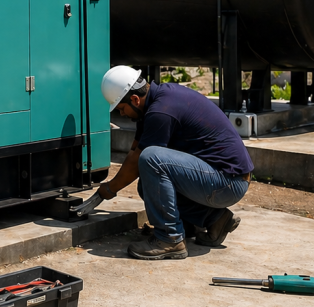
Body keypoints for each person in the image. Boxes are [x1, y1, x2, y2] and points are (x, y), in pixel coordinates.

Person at [97, 66, 253, 260]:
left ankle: (169, 239)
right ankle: (215, 220)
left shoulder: (160, 112)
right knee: (147, 186)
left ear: (135, 99)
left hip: (228, 182)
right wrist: (110, 186)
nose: (121, 114)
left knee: (151, 159)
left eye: (121, 108)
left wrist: (109, 189)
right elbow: (133, 153)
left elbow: (139, 159)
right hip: (224, 178)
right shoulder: (155, 103)